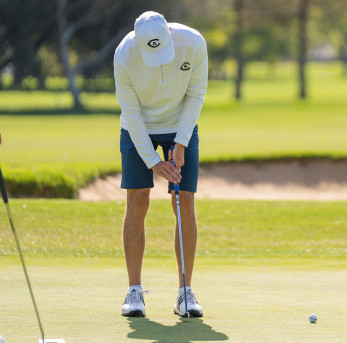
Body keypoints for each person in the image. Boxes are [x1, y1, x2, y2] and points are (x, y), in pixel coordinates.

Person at [113, 11, 208, 318]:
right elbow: (131, 113)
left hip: (181, 124)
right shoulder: (124, 55)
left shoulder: (193, 43)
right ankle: (134, 291)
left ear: (169, 31)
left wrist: (180, 142)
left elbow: (195, 94)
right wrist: (153, 162)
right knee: (137, 199)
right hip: (137, 128)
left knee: (184, 201)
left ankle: (185, 292)